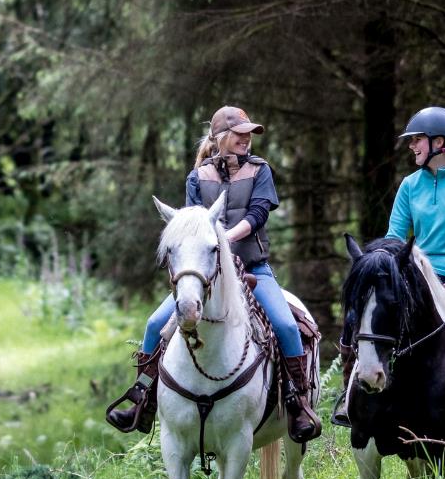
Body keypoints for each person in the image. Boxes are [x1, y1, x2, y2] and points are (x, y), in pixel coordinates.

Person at [105, 106, 318, 442]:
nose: (246, 139)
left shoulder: (260, 171)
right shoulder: (198, 177)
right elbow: (191, 224)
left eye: (249, 134)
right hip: (207, 274)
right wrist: (208, 246)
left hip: (253, 267)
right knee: (152, 325)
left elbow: (259, 213)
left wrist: (223, 238)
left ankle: (297, 404)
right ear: (221, 138)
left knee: (288, 326)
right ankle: (142, 400)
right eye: (240, 134)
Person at [333, 106, 445, 445]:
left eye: (417, 140)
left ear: (440, 143)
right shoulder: (409, 186)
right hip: (416, 279)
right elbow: (394, 238)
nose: (412, 146)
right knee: (355, 323)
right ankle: (348, 397)